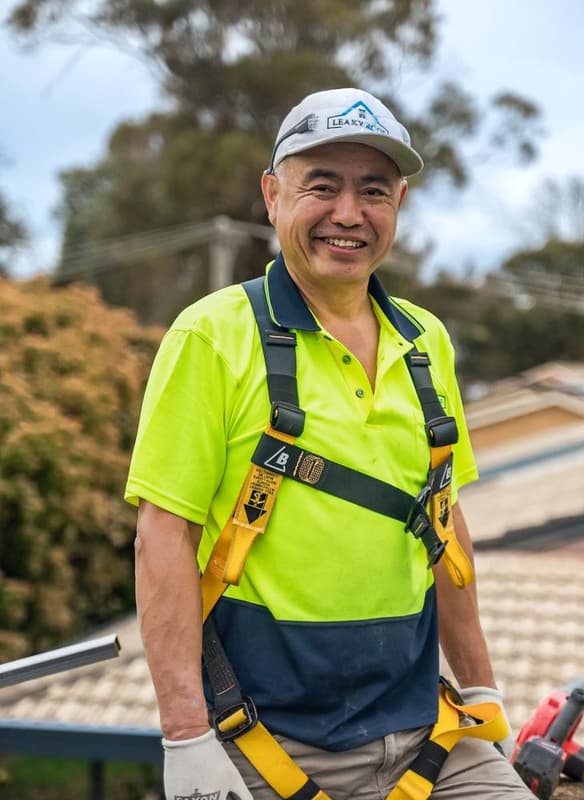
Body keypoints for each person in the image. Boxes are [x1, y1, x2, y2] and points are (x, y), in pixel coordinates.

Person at [126, 87, 534, 800]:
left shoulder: (424, 341)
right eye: (322, 186)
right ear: (273, 195)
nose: (348, 214)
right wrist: (185, 736)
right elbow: (162, 536)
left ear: (398, 206)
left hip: (424, 737)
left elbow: (444, 526)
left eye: (373, 190)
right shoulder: (213, 336)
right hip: (261, 744)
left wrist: (482, 688)